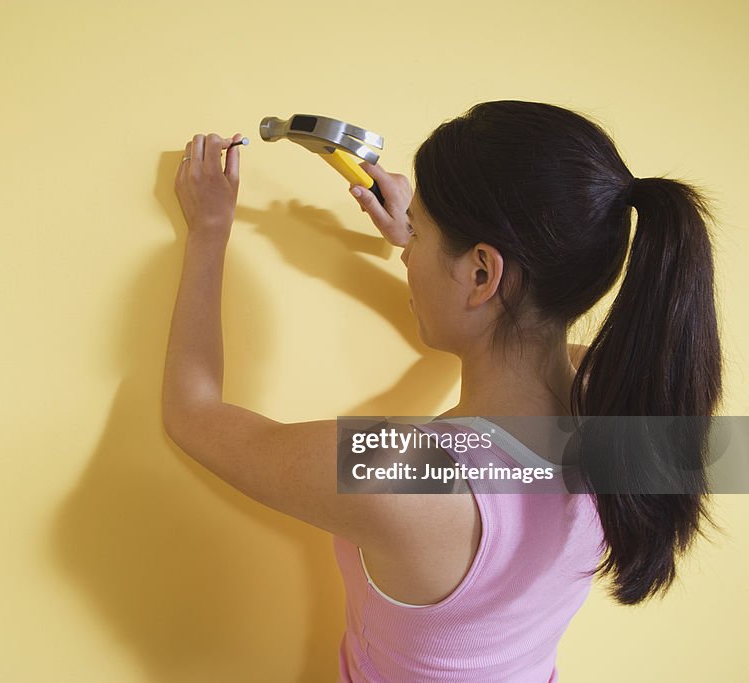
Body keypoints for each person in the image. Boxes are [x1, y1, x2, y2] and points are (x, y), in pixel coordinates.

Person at [163, 100, 721, 681]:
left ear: (483, 274)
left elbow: (193, 412)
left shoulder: (400, 478)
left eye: (421, 233)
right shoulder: (634, 403)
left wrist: (209, 230)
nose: (409, 254)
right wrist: (429, 240)